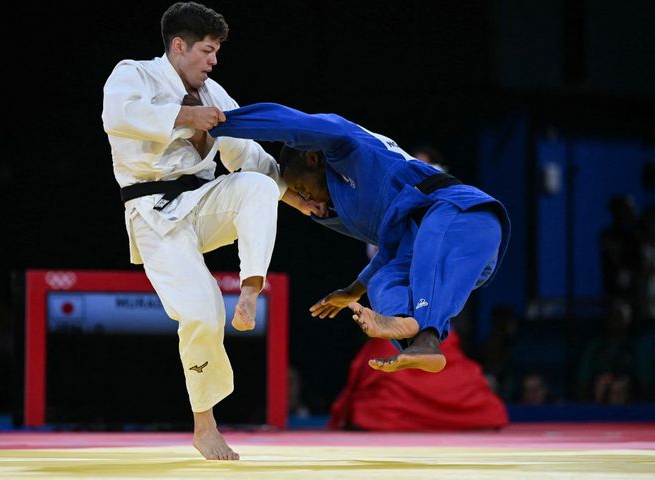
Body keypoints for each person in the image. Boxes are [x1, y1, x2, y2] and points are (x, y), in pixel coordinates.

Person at [101, 3, 318, 461]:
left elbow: (248, 155)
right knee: (201, 314)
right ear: (179, 47)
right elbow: (118, 116)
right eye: (206, 50)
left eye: (216, 51)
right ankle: (205, 426)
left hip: (201, 203)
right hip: (153, 214)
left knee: (256, 184)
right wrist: (185, 117)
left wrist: (296, 199)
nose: (213, 60)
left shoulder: (214, 92)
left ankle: (251, 288)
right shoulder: (133, 75)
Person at [210, 102, 511, 373]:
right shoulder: (342, 209)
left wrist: (218, 122)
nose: (305, 197)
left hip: (464, 215)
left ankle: (421, 326)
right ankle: (421, 340)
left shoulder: (347, 146)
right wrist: (352, 291)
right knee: (382, 283)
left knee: (433, 236)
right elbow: (389, 252)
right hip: (426, 249)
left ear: (313, 159)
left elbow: (288, 122)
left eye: (302, 188)